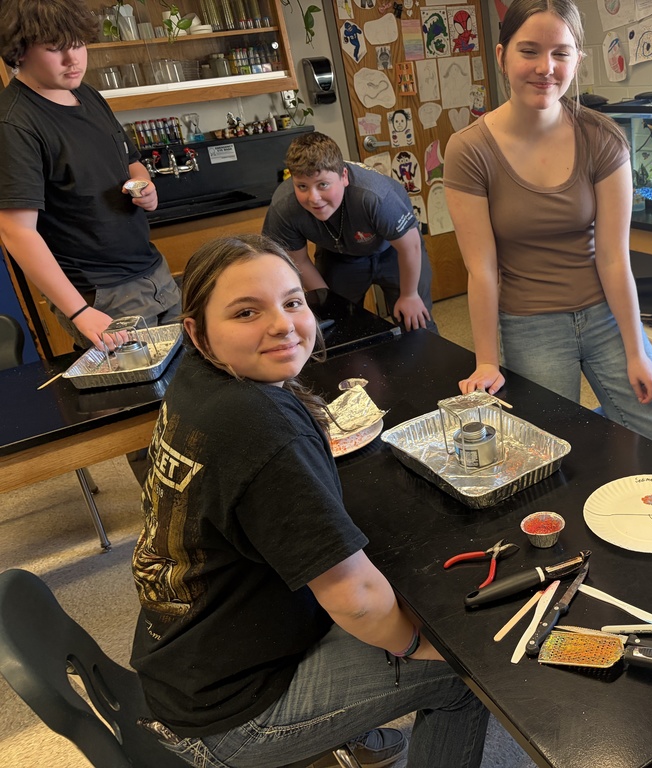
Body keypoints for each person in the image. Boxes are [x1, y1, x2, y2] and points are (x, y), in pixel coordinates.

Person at [130, 234, 488, 768]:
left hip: (182, 664)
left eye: (292, 302)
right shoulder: (258, 426)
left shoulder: (197, 382)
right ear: (198, 331)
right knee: (465, 669)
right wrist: (417, 646)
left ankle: (343, 732)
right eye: (247, 311)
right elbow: (356, 599)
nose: (282, 324)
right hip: (230, 719)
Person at [443, 0, 652, 454]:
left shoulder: (602, 138)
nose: (545, 68)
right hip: (530, 322)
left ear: (578, 60)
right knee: (549, 452)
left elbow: (615, 257)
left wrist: (637, 349)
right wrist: (485, 361)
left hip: (605, 315)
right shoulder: (470, 151)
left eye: (561, 53)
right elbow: (482, 269)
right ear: (501, 57)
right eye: (529, 51)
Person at [0, 0, 180, 352]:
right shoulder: (14, 124)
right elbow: (15, 231)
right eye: (56, 49)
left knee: (191, 384)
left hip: (151, 271)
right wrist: (80, 311)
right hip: (101, 293)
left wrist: (144, 187)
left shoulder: (86, 93)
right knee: (149, 397)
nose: (74, 60)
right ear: (18, 51)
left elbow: (129, 160)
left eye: (78, 44)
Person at [262, 131, 436, 333]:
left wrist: (409, 295)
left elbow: (410, 246)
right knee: (337, 325)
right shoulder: (284, 207)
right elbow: (298, 261)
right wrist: (330, 303)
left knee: (416, 322)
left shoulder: (375, 196)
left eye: (323, 185)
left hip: (395, 252)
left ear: (344, 176)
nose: (314, 198)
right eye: (302, 186)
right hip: (339, 255)